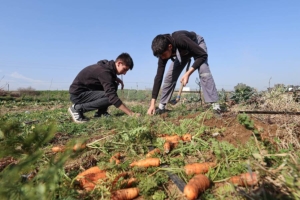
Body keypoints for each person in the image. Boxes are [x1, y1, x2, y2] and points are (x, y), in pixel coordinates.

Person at [147, 30, 220, 115]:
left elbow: (202, 55)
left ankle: (215, 107)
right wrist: (152, 103)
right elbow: (159, 77)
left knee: (203, 70)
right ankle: (161, 107)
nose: (162, 58)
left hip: (196, 44)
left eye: (163, 55)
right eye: (160, 56)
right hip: (182, 53)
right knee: (169, 76)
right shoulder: (162, 52)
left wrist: (188, 73)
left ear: (170, 47)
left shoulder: (180, 39)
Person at [68, 52, 139, 123]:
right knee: (110, 98)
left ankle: (101, 112)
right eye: (124, 69)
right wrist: (131, 113)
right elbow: (112, 97)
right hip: (78, 95)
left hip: (85, 92)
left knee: (113, 85)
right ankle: (77, 108)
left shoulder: (106, 67)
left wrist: (115, 78)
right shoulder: (104, 72)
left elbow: (106, 76)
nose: (124, 73)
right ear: (119, 63)